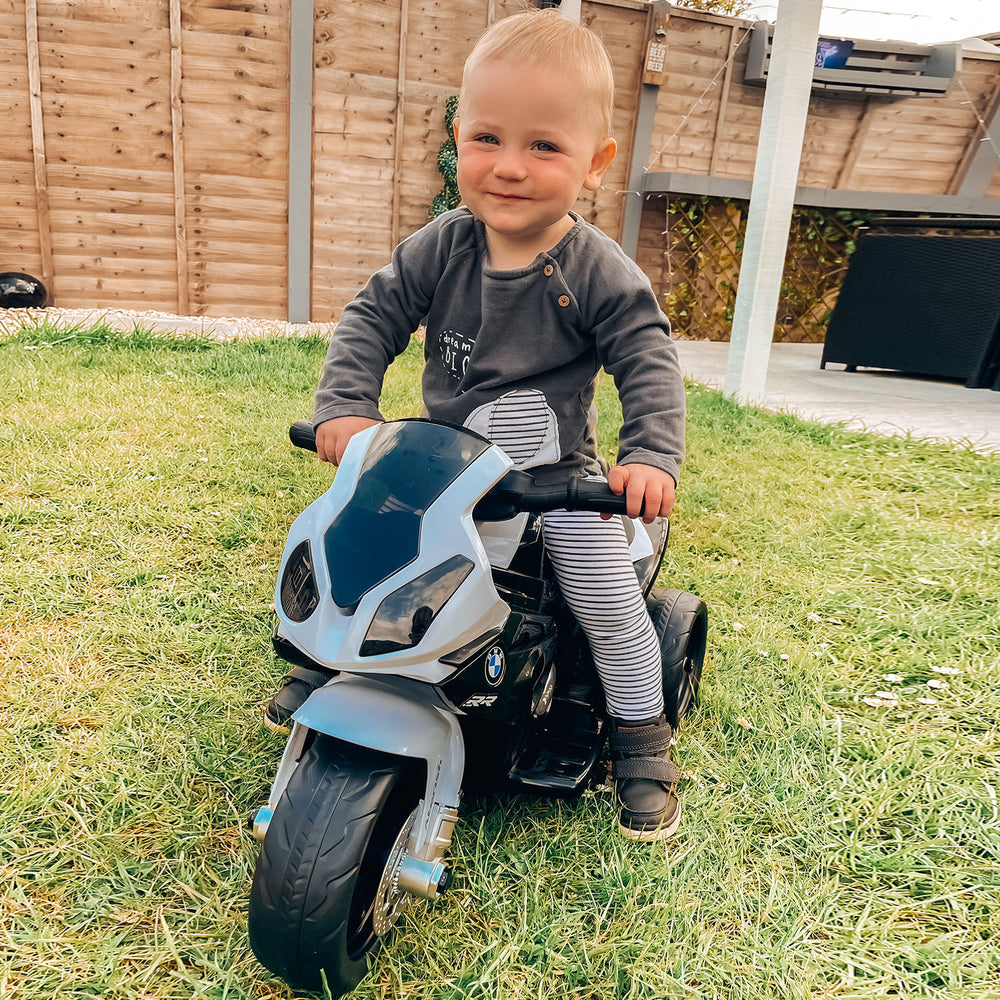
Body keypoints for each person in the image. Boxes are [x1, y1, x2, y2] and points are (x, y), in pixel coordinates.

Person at [266, 9, 687, 841]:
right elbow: (370, 318)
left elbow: (648, 357)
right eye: (488, 138)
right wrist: (346, 408)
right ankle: (332, 661)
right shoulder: (440, 246)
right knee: (360, 542)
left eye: (544, 146)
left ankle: (641, 736)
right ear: (458, 138)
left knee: (605, 601)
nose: (510, 167)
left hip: (555, 476)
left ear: (596, 164)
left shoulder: (599, 271)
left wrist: (648, 457)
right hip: (444, 462)